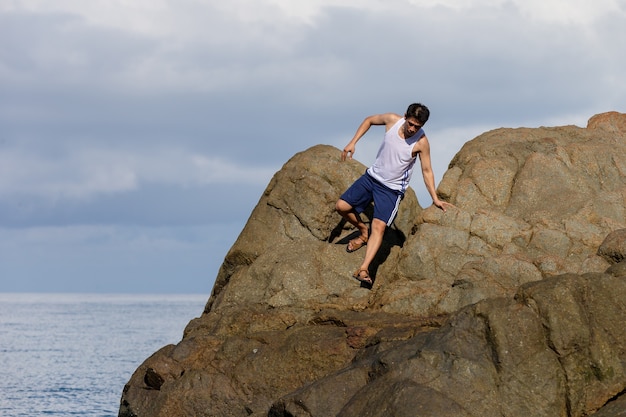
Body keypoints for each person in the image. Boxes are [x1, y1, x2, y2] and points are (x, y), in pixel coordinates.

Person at [336, 103, 454, 285]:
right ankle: (362, 230)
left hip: (391, 190)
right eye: (411, 124)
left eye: (418, 127)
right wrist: (353, 142)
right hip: (371, 178)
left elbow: (427, 170)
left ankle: (363, 268)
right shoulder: (392, 120)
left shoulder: (421, 143)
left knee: (380, 227)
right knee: (341, 206)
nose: (413, 129)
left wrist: (435, 198)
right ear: (405, 117)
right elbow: (368, 120)